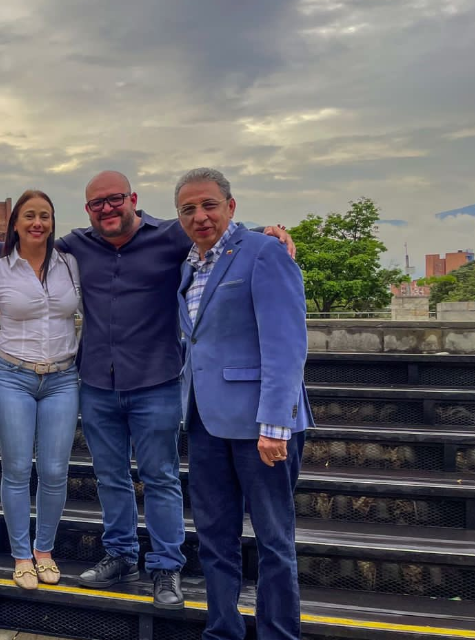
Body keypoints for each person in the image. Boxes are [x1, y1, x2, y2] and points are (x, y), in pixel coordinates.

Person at [55, 171, 294, 610]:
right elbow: (23, 248)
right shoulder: (77, 244)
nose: (107, 209)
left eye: (115, 200)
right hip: (96, 383)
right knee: (110, 477)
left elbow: (221, 234)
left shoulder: (172, 233)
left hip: (156, 381)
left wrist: (270, 231)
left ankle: (166, 566)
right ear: (87, 210)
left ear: (133, 199)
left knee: (160, 478)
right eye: (96, 204)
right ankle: (121, 555)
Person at [174, 168, 311, 640]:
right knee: (215, 540)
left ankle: (277, 634)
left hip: (262, 427)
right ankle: (223, 631)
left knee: (274, 542)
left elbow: (286, 343)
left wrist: (275, 423)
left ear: (231, 206)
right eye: (188, 209)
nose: (199, 215)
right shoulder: (189, 264)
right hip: (205, 423)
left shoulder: (264, 252)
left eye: (209, 204)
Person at [0, 190, 81, 590]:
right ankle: (21, 555)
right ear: (16, 223)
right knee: (18, 468)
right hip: (12, 375)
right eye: (29, 216)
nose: (37, 223)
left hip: (62, 378)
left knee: (56, 470)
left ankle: (45, 551)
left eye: (44, 215)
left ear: (53, 222)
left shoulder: (71, 265)